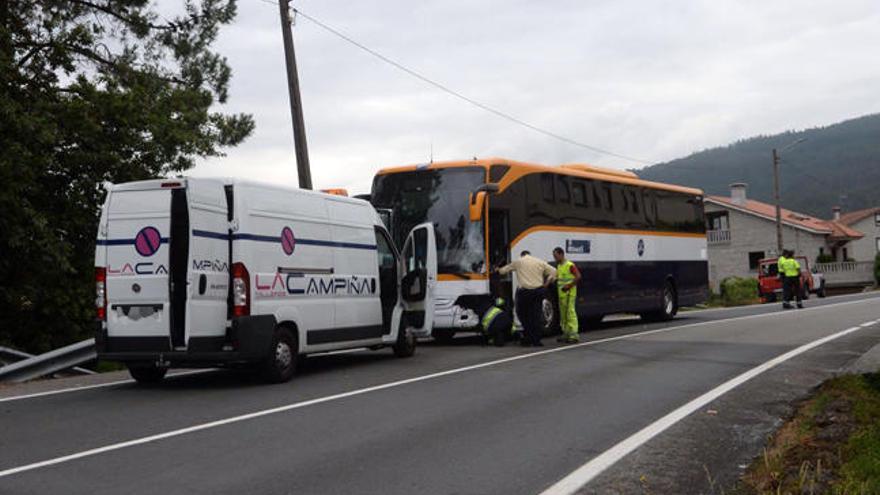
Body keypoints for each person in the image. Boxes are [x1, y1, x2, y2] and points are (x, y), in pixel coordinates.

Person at [496, 250, 556, 347]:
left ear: (522, 255)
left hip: (525, 293)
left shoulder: (518, 262)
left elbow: (503, 271)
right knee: (536, 315)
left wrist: (497, 269)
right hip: (538, 291)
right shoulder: (539, 262)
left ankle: (528, 338)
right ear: (529, 254)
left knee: (523, 315)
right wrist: (547, 283)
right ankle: (536, 341)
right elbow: (554, 271)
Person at [552, 247, 582, 343]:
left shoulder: (570, 265)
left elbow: (578, 276)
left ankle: (574, 335)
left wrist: (568, 286)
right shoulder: (559, 266)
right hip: (562, 294)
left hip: (569, 293)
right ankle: (566, 333)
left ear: (561, 254)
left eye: (556, 256)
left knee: (570, 313)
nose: (555, 258)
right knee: (563, 314)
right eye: (554, 256)